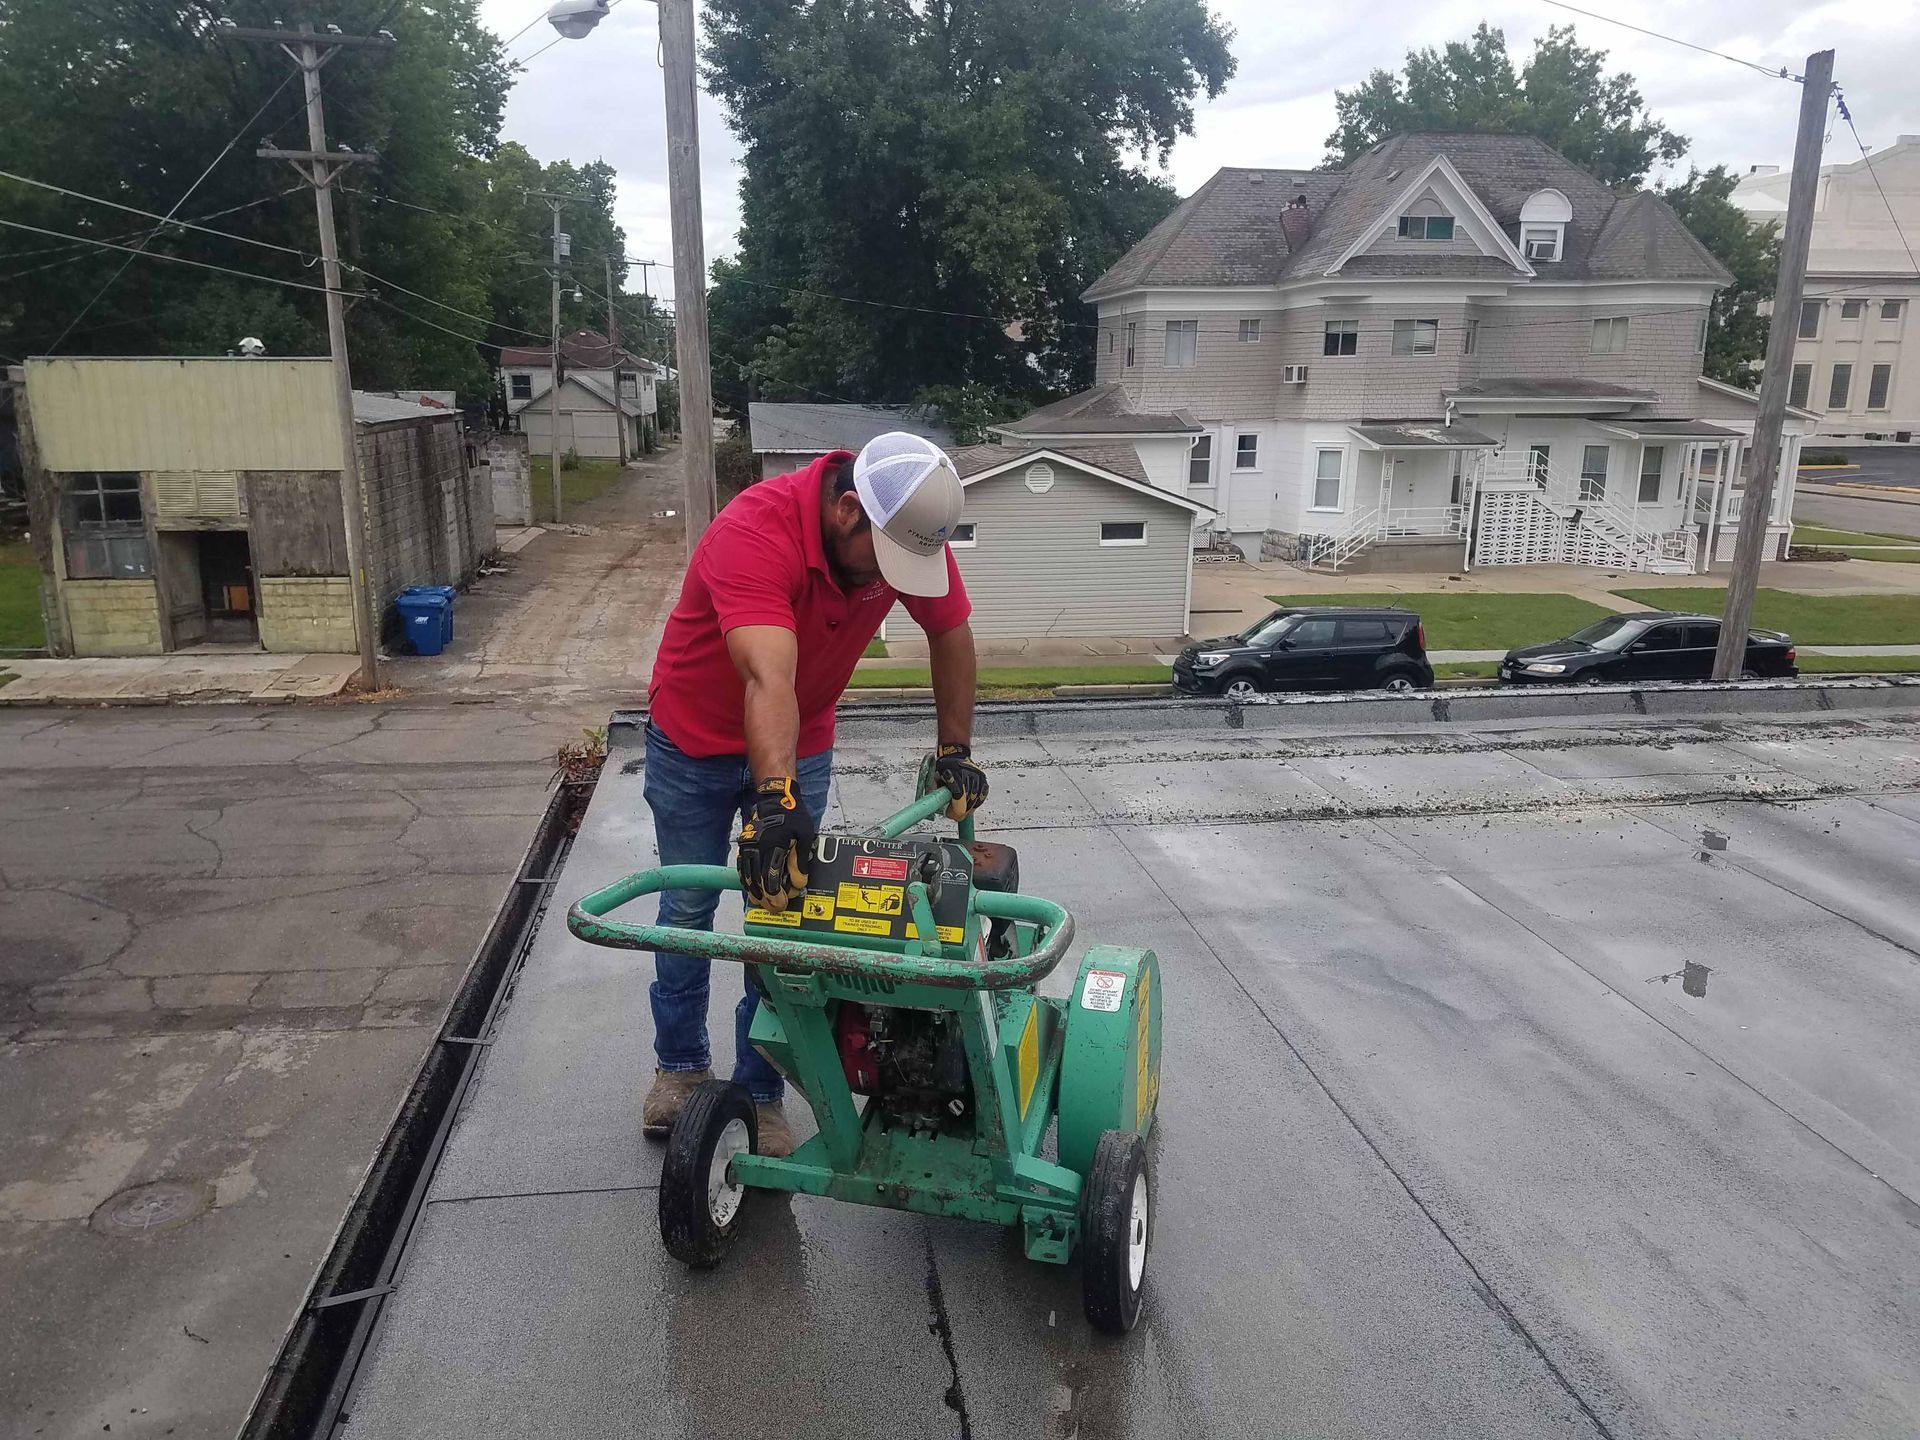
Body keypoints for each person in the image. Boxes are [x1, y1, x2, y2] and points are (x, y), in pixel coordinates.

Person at [640, 431, 989, 1156]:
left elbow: (951, 632)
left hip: (803, 734)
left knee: (784, 913)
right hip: (695, 743)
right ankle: (679, 1068)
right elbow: (768, 676)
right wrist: (775, 803)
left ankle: (760, 1091)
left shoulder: (907, 528)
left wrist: (954, 749)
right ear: (847, 511)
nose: (891, 580)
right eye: (885, 562)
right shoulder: (753, 532)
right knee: (689, 905)